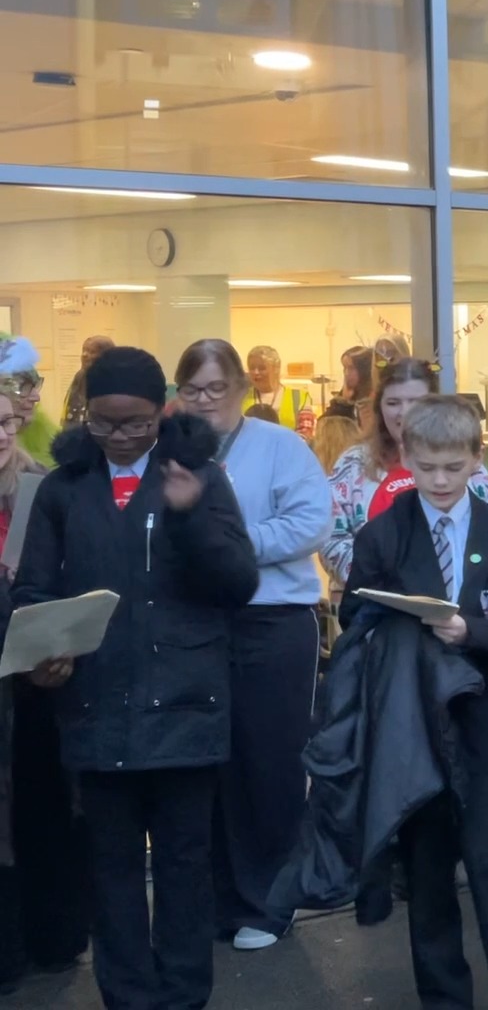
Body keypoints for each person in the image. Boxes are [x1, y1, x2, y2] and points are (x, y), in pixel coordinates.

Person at [16, 345, 258, 1010]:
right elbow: (34, 589)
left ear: (164, 412)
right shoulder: (64, 488)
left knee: (184, 867)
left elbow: (238, 583)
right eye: (102, 423)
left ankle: (182, 995)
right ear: (83, 415)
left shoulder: (199, 475)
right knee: (111, 871)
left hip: (185, 704)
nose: (119, 438)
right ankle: (127, 997)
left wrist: (190, 517)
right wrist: (44, 653)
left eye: (135, 424)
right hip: (96, 706)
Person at [339, 395, 488, 1009]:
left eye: (453, 468)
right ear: (406, 457)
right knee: (428, 870)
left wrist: (472, 632)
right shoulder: (384, 532)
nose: (439, 481)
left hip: (485, 717)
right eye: (428, 467)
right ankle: (444, 998)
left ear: (476, 459)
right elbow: (355, 616)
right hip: (414, 725)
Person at [172, 341, 332, 952]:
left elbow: (311, 523)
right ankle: (217, 896)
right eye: (192, 390)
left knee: (267, 763)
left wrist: (228, 544)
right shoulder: (169, 452)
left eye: (216, 389)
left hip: (271, 622)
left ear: (240, 388)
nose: (206, 401)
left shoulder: (280, 446)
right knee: (208, 765)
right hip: (197, 623)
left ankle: (270, 902)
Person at [0, 361, 86, 993]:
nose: (3, 433)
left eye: (7, 422)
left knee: (38, 806)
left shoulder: (39, 486)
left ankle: (49, 938)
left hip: (29, 677)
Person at [322, 356, 488, 591]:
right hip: (377, 603)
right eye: (393, 402)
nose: (403, 413)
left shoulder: (465, 460)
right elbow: (330, 537)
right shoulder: (353, 463)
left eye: (415, 402)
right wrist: (380, 581)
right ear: (379, 406)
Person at [246, 346, 315, 438]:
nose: (256, 372)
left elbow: (305, 434)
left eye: (262, 368)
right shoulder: (239, 397)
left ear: (276, 368)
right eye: (251, 368)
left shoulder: (300, 397)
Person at [60, 334, 113, 427]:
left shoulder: (115, 380)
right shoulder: (80, 376)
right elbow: (70, 408)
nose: (84, 355)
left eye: (92, 352)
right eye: (83, 350)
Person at [323, 346, 375, 422]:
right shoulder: (345, 395)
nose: (346, 373)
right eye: (345, 368)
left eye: (351, 368)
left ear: (363, 370)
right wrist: (342, 402)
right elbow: (326, 422)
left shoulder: (375, 397)